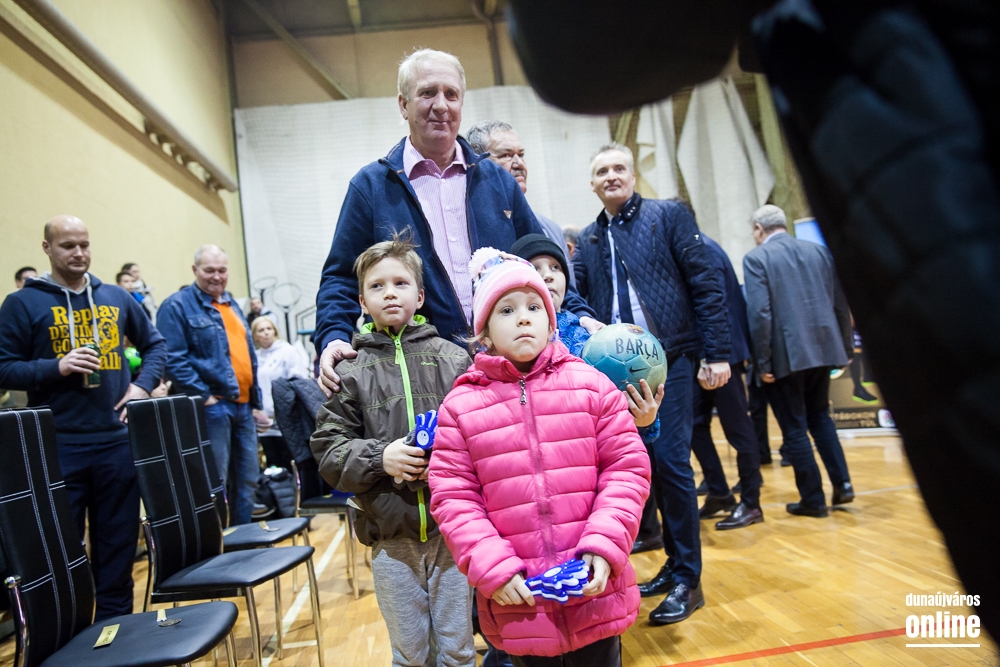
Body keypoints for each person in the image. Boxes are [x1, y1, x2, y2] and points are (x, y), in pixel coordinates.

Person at [313, 48, 598, 397]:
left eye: (451, 94)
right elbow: (341, 277)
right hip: (419, 378)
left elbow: (542, 265)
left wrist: (581, 315)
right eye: (427, 93)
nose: (441, 105)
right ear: (403, 105)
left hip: (506, 368)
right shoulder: (371, 187)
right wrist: (333, 337)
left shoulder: (498, 181)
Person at [428, 249, 651, 667]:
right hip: (521, 602)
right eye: (507, 310)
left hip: (595, 593)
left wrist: (605, 543)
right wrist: (492, 566)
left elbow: (626, 469)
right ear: (484, 333)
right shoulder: (460, 407)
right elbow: (453, 498)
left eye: (534, 307)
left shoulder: (592, 386)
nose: (523, 318)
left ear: (551, 323)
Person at [573, 142, 731, 625]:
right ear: (592, 183)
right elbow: (579, 298)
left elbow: (705, 282)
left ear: (633, 175)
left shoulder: (668, 216)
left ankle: (689, 580)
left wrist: (717, 352)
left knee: (671, 461)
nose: (612, 176)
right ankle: (672, 563)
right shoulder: (590, 237)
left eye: (619, 167)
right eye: (602, 170)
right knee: (644, 465)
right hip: (616, 373)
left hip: (672, 360)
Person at [311, 236, 476, 667]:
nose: (389, 293)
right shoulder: (349, 371)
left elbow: (480, 435)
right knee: (409, 654)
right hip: (390, 539)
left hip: (452, 533)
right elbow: (328, 448)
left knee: (459, 650)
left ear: (419, 296)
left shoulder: (455, 359)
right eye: (377, 286)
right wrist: (381, 458)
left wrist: (444, 462)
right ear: (362, 302)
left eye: (400, 283)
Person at [0, 215, 166, 621]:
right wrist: (55, 367)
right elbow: (4, 367)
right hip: (58, 447)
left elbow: (156, 346)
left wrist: (142, 387)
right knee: (61, 555)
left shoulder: (115, 296)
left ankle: (116, 634)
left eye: (84, 244)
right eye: (67, 245)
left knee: (117, 551)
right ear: (47, 249)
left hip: (116, 444)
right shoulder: (22, 303)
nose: (78, 253)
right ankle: (70, 638)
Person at [743, 205, 855, 517]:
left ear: (759, 229)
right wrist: (845, 346)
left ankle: (813, 500)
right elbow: (840, 301)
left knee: (794, 427)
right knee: (820, 418)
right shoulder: (819, 251)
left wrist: (762, 363)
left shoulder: (756, 258)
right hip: (824, 349)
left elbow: (760, 314)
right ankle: (843, 484)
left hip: (787, 356)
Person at [157, 244, 263, 526]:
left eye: (222, 270)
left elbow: (247, 356)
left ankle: (242, 541)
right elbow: (172, 359)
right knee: (213, 483)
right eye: (209, 270)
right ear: (195, 270)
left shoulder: (231, 305)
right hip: (211, 407)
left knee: (248, 480)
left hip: (243, 407)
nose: (217, 276)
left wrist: (255, 403)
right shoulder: (176, 306)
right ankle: (216, 545)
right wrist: (205, 397)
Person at [689, 233, 763, 530]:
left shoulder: (704, 250)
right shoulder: (698, 247)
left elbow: (716, 308)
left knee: (738, 429)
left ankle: (751, 502)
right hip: (705, 355)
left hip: (721, 357)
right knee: (695, 425)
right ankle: (720, 492)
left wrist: (712, 357)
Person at [466, 120, 576, 287]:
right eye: (506, 155)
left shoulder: (551, 228)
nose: (519, 164)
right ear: (480, 163)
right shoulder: (470, 222)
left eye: (521, 155)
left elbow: (567, 290)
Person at [251, 316, 309, 469]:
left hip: (286, 417)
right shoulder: (255, 357)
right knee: (273, 463)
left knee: (290, 461)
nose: (266, 333)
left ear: (275, 331)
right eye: (261, 330)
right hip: (264, 420)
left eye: (269, 329)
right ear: (255, 336)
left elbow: (299, 381)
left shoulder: (287, 351)